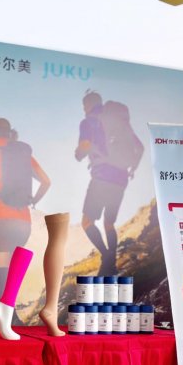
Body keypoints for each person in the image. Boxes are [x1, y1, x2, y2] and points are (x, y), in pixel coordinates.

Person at [0, 118, 50, 325]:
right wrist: (34, 200)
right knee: (13, 269)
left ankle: (9, 316)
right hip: (23, 222)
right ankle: (8, 317)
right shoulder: (24, 155)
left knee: (2, 269)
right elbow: (46, 181)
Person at [75, 91, 143, 275]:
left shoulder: (89, 121)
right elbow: (140, 147)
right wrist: (132, 169)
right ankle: (111, 265)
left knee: (87, 222)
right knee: (109, 223)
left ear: (88, 105)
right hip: (121, 179)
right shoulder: (120, 123)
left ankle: (106, 257)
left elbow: (84, 146)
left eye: (84, 106)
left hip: (101, 177)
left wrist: (78, 154)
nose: (84, 110)